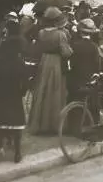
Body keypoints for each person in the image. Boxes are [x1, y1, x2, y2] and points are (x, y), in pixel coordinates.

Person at [28, 7, 72, 135]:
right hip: (56, 63)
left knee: (42, 90)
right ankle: (54, 124)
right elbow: (66, 53)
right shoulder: (60, 34)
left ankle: (41, 123)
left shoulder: (41, 33)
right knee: (56, 90)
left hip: (44, 61)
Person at [0, 19, 26, 163]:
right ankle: (17, 153)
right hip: (15, 98)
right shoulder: (20, 63)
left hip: (0, 98)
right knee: (17, 127)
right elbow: (26, 82)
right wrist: (21, 92)